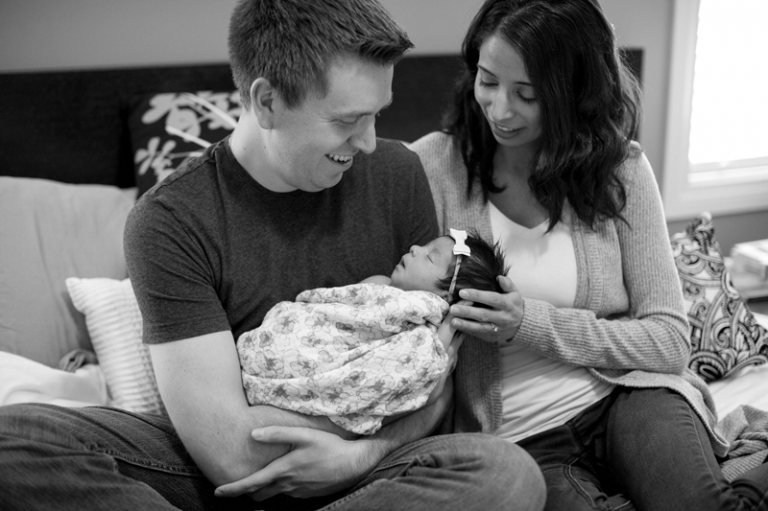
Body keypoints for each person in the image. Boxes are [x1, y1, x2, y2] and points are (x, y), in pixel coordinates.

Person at [0, 1, 547, 510]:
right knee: (16, 440)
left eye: (377, 114)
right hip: (218, 472)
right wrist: (340, 436)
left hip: (373, 463)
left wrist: (357, 456)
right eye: (347, 120)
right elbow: (229, 453)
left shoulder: (396, 172)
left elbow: (434, 385)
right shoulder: (170, 220)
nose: (367, 142)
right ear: (267, 101)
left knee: (506, 474)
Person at [409, 0, 768, 510]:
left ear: (574, 94)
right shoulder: (431, 166)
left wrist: (528, 323)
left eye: (527, 94)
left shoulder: (621, 171)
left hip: (628, 397)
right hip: (521, 440)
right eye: (487, 81)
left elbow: (669, 341)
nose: (500, 109)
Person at [236, 230, 508, 436]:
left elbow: (404, 374)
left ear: (445, 297)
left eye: (429, 256)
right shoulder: (380, 284)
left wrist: (430, 352)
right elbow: (335, 314)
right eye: (423, 246)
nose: (414, 248)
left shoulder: (429, 340)